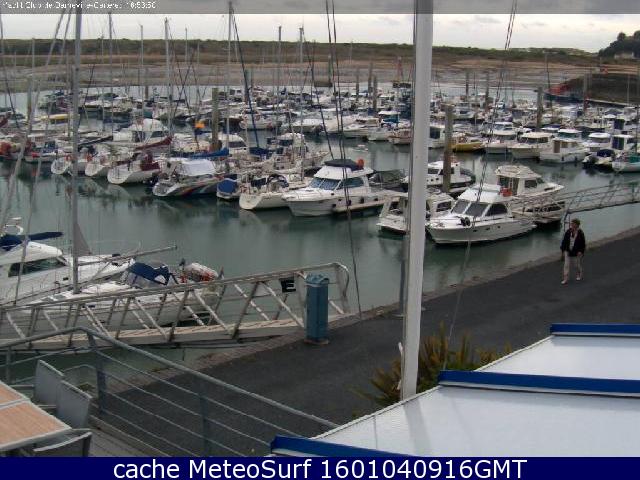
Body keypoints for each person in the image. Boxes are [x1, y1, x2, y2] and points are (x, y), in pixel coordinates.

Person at [560, 218, 586, 285]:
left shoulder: (580, 233)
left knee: (576, 265)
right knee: (566, 265)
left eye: (573, 223)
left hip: (576, 252)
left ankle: (579, 273)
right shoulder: (568, 231)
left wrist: (581, 251)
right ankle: (565, 279)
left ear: (577, 225)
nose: (571, 224)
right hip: (568, 251)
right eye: (571, 223)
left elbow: (583, 243)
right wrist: (563, 251)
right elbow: (564, 241)